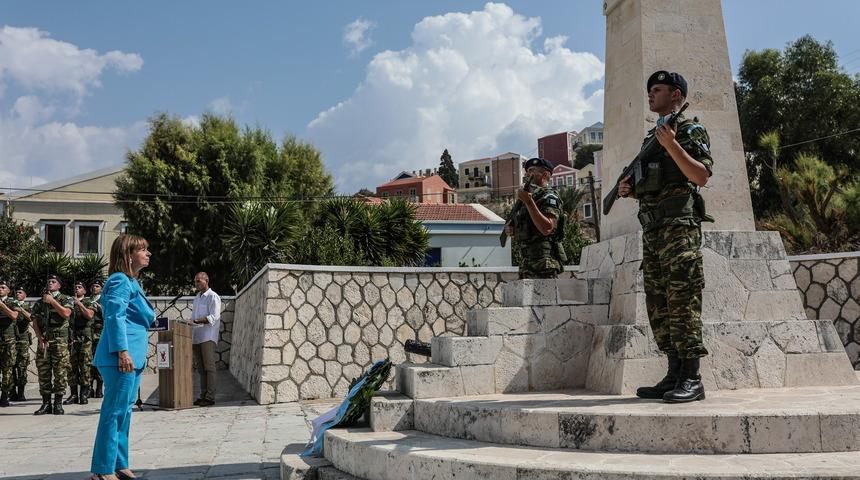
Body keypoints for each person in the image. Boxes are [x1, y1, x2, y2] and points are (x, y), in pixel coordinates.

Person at [617, 70, 713, 403]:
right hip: (654, 231)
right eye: (648, 90)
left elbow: (700, 175)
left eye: (656, 90)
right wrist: (630, 190)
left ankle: (692, 377)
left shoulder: (688, 130)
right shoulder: (651, 138)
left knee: (683, 300)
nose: (649, 95)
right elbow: (653, 184)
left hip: (679, 230)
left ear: (675, 94)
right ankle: (673, 374)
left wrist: (671, 144)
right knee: (659, 304)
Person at [89, 234, 154, 480]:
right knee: (114, 412)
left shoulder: (132, 282)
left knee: (124, 412)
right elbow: (114, 317)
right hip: (120, 357)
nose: (148, 254)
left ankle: (118, 463)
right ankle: (103, 469)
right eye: (143, 250)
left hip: (132, 357)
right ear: (128, 255)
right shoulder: (119, 281)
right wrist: (122, 351)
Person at [503, 157, 566, 279]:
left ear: (545, 174)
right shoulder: (529, 199)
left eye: (532, 170)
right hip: (527, 263)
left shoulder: (549, 196)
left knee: (546, 298)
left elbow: (546, 228)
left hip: (544, 263)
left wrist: (529, 202)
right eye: (527, 172)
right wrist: (512, 229)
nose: (528, 175)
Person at [31, 274, 74, 415]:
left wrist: (52, 301)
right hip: (45, 342)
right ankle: (46, 403)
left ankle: (58, 403)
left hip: (60, 342)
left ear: (59, 286)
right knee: (43, 373)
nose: (50, 283)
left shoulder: (65, 299)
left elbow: (66, 313)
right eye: (48, 281)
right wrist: (39, 336)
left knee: (60, 373)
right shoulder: (40, 302)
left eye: (53, 282)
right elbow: (35, 320)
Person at [191, 271, 221, 407]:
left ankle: (210, 397)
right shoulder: (197, 297)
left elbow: (213, 317)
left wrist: (196, 321)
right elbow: (194, 317)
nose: (196, 284)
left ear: (206, 280)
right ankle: (202, 396)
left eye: (199, 281)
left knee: (209, 368)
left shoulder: (213, 297)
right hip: (196, 337)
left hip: (208, 337)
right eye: (195, 281)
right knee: (201, 369)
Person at [65, 280, 97, 405]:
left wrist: (79, 303)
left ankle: (84, 393)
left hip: (85, 338)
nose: (76, 289)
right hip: (72, 338)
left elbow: (89, 315)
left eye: (79, 287)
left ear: (84, 290)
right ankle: (73, 394)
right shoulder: (68, 302)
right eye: (75, 287)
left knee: (85, 365)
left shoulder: (90, 302)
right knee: (72, 366)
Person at [0, 279, 19, 407]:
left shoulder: (13, 302)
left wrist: (2, 305)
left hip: (8, 340)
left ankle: (5, 395)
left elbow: (14, 316)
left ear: (8, 290)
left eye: (2, 287)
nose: (0, 289)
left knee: (7, 369)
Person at [12, 286, 32, 401]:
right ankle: (12, 391)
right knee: (11, 366)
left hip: (23, 340)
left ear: (25, 295)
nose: (18, 294)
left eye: (20, 292)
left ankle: (21, 392)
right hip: (11, 340)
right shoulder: (11, 305)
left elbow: (31, 318)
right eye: (16, 292)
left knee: (22, 367)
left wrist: (21, 309)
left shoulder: (27, 307)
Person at [89, 280, 104, 398]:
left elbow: (107, 314)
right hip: (89, 334)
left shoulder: (104, 299)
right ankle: (89, 388)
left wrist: (98, 306)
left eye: (97, 286)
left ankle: (99, 387)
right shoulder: (88, 300)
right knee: (89, 362)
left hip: (99, 334)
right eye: (93, 285)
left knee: (98, 361)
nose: (94, 288)